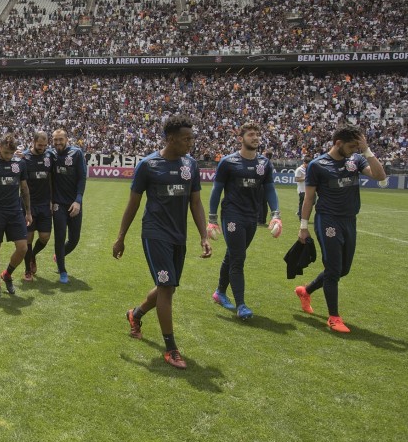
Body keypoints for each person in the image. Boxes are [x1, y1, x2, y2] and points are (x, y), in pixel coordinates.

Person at [113, 115, 212, 370]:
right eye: (186, 138)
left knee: (168, 287)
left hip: (179, 235)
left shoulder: (190, 165)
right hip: (155, 233)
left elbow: (196, 202)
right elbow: (133, 203)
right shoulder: (148, 165)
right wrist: (121, 237)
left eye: (192, 137)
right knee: (166, 288)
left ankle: (135, 315)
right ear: (170, 138)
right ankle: (171, 349)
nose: (191, 142)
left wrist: (203, 235)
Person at [295, 124, 386, 333]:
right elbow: (309, 199)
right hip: (328, 220)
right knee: (334, 269)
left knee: (343, 269)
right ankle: (334, 317)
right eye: (352, 146)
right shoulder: (318, 165)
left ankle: (305, 291)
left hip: (349, 220)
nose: (355, 149)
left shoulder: (356, 160)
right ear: (338, 143)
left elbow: (380, 176)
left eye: (358, 146)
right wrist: (303, 227)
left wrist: (367, 151)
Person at [207, 122, 282, 320]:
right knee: (238, 258)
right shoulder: (228, 162)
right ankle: (241, 305)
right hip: (232, 215)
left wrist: (275, 214)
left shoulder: (264, 163)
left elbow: (270, 190)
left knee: (233, 254)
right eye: (251, 134)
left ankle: (219, 292)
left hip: (252, 216)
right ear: (241, 139)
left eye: (258, 134)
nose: (255, 137)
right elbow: (216, 190)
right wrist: (212, 219)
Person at [0, 133, 33, 298]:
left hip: (15, 212)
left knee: (23, 248)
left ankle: (7, 274)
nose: (8, 156)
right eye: (5, 153)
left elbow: (24, 188)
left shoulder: (20, 164)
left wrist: (28, 212)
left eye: (11, 153)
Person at [50, 128, 87, 284]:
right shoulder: (50, 155)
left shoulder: (76, 154)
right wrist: (22, 152)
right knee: (59, 237)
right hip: (58, 204)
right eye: (55, 140)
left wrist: (78, 200)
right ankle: (62, 270)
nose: (58, 142)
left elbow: (82, 178)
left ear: (67, 139)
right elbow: (34, 151)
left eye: (61, 139)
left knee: (74, 239)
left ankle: (59, 256)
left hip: (74, 204)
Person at [22, 130, 53, 281]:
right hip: (29, 204)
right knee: (28, 238)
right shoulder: (24, 157)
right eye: (40, 145)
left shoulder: (49, 156)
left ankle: (33, 255)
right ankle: (27, 270)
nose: (42, 148)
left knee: (45, 237)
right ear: (33, 142)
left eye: (45, 145)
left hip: (45, 203)